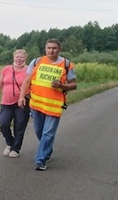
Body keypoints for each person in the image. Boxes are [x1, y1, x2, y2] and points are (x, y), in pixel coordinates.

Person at [18, 39, 77, 171]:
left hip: (54, 106)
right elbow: (27, 81)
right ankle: (47, 149)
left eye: (54, 48)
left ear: (59, 50)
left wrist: (62, 85)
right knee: (39, 131)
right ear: (45, 49)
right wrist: (22, 96)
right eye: (49, 48)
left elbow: (74, 84)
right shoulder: (37, 62)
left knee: (48, 133)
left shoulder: (66, 64)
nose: (51, 50)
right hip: (36, 104)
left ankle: (40, 160)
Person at [0, 49, 31, 158]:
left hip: (22, 103)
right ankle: (10, 142)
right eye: (17, 57)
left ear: (26, 58)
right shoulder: (6, 69)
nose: (19, 59)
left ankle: (15, 149)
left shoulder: (29, 71)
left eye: (22, 57)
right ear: (13, 57)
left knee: (19, 126)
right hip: (6, 102)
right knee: (3, 123)